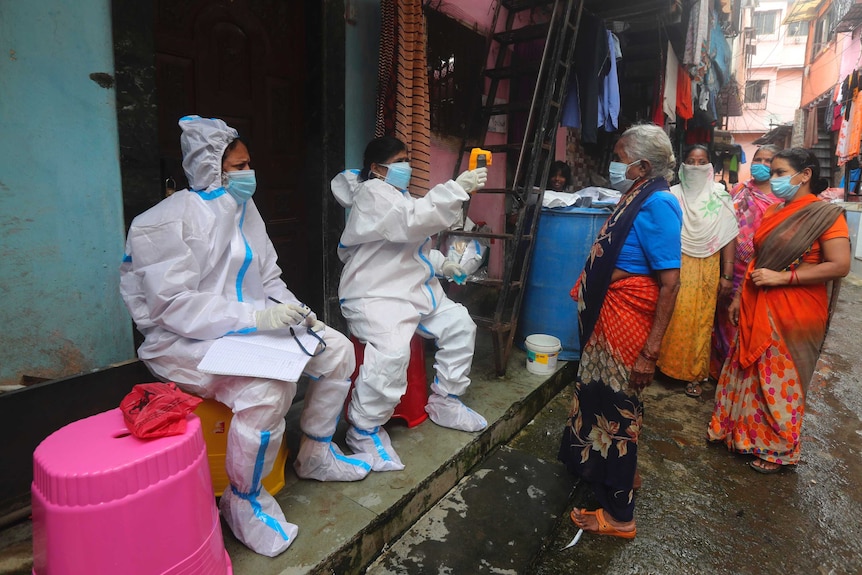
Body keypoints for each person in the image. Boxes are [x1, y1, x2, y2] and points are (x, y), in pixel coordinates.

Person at [119, 116, 373, 558]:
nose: (247, 174)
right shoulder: (160, 222)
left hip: (252, 330)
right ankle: (243, 499)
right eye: (238, 166)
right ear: (208, 167)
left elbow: (269, 276)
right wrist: (260, 317)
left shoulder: (244, 210)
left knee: (336, 351)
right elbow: (172, 305)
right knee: (267, 389)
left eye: (247, 164)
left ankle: (315, 452)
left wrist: (295, 314)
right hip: (183, 342)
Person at [331, 136, 489, 472]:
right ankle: (363, 428)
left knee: (460, 324)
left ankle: (446, 400)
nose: (407, 166)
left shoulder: (396, 195)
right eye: (400, 160)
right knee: (391, 352)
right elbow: (411, 221)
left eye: (407, 158)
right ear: (376, 168)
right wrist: (456, 189)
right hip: (375, 294)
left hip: (412, 289)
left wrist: (441, 263)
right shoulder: (372, 194)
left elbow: (411, 245)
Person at [558, 124, 682, 539]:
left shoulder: (659, 203)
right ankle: (617, 475)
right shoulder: (638, 193)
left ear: (642, 166)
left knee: (618, 405)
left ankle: (618, 516)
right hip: (610, 315)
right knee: (605, 399)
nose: (613, 165)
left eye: (619, 157)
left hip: (628, 318)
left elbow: (670, 282)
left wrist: (651, 351)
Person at [708, 147, 850, 474]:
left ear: (805, 175)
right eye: (771, 172)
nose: (773, 179)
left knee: (780, 379)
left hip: (796, 311)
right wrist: (738, 299)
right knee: (752, 372)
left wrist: (784, 278)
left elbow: (839, 265)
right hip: (759, 299)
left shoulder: (825, 215)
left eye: (780, 172)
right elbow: (759, 260)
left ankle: (778, 449)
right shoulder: (775, 210)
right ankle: (742, 435)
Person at [656, 145, 738, 398]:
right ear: (682, 166)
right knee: (670, 315)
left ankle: (695, 373)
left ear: (710, 166)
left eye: (701, 162)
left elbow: (729, 236)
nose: (695, 166)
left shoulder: (720, 197)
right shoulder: (672, 195)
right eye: (690, 161)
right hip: (675, 262)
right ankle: (663, 366)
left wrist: (727, 275)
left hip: (707, 264)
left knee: (700, 320)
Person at [710, 145, 781, 379]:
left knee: (746, 321)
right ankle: (719, 367)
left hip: (760, 269)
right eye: (757, 159)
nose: (761, 164)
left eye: (768, 160)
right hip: (730, 263)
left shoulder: (781, 199)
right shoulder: (740, 190)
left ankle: (741, 372)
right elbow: (724, 223)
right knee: (722, 317)